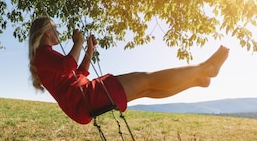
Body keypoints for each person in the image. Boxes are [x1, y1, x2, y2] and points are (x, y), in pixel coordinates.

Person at [28, 17, 230, 125]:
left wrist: (89, 49)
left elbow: (78, 73)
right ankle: (205, 68)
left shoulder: (46, 56)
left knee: (147, 89)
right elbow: (68, 65)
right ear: (46, 32)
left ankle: (194, 80)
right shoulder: (42, 53)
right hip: (86, 98)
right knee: (146, 79)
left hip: (84, 100)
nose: (58, 32)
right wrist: (79, 42)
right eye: (55, 29)